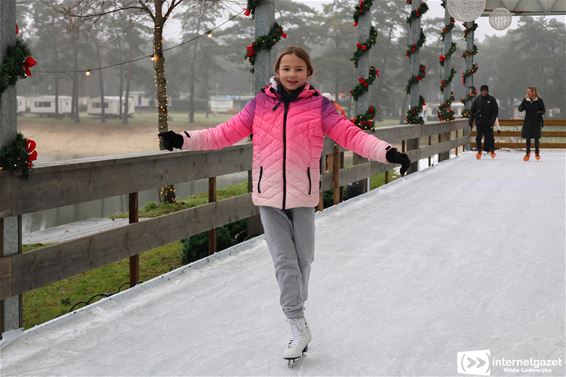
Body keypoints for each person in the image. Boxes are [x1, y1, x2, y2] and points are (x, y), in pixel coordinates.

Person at [158, 46, 410, 365]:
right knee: (284, 262)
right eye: (286, 68)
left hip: (303, 197)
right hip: (268, 197)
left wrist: (390, 154)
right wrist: (183, 139)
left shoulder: (321, 107)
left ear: (308, 73)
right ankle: (296, 323)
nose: (291, 74)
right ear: (277, 70)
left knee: (304, 258)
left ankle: (297, 310)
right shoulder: (260, 104)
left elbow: (352, 136)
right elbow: (224, 133)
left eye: (298, 69)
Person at [469, 85, 499, 159]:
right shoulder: (477, 99)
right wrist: (471, 120)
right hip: (479, 122)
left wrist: (492, 120)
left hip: (489, 123)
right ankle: (479, 150)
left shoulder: (492, 99)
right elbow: (472, 111)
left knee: (490, 138)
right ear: (481, 91)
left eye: (485, 91)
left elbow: (495, 111)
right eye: (483, 91)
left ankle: (492, 150)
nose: (484, 92)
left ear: (487, 91)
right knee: (478, 138)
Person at [518, 87, 545, 161]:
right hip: (528, 121)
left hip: (536, 121)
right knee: (528, 138)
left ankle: (537, 153)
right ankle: (527, 154)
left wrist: (539, 112)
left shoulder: (539, 100)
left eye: (529, 91)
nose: (528, 93)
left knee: (536, 138)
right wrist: (520, 107)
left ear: (533, 92)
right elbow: (520, 108)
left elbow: (543, 110)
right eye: (527, 92)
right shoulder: (526, 100)